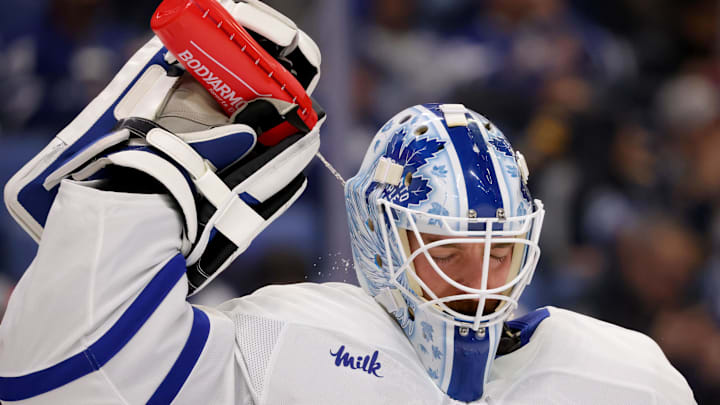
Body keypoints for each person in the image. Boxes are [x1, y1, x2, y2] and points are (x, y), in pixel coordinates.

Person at [0, 1, 696, 404]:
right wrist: (156, 173)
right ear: (381, 241)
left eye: (499, 250)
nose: (479, 283)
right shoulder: (286, 343)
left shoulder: (624, 374)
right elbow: (59, 376)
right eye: (447, 250)